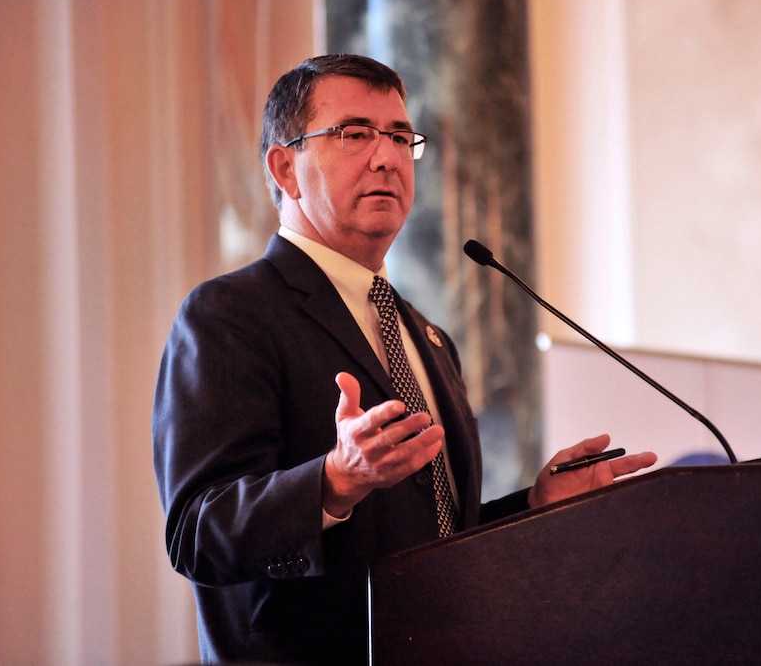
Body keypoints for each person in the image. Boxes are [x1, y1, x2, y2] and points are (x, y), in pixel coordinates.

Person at [152, 53, 657, 664]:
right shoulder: (231, 314)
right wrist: (335, 481)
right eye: (355, 133)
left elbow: (438, 535)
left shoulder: (425, 336)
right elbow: (197, 535)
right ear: (285, 167)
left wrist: (534, 509)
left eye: (399, 136)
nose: (388, 157)